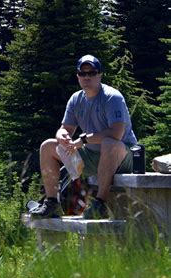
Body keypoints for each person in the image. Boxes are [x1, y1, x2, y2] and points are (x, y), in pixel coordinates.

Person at [30, 54, 138, 219]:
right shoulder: (75, 99)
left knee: (109, 143)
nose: (87, 77)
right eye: (83, 73)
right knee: (48, 146)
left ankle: (100, 203)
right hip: (92, 156)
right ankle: (51, 202)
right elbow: (64, 128)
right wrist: (63, 137)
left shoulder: (112, 97)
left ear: (100, 75)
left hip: (123, 157)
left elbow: (117, 133)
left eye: (91, 73)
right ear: (78, 77)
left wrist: (84, 140)